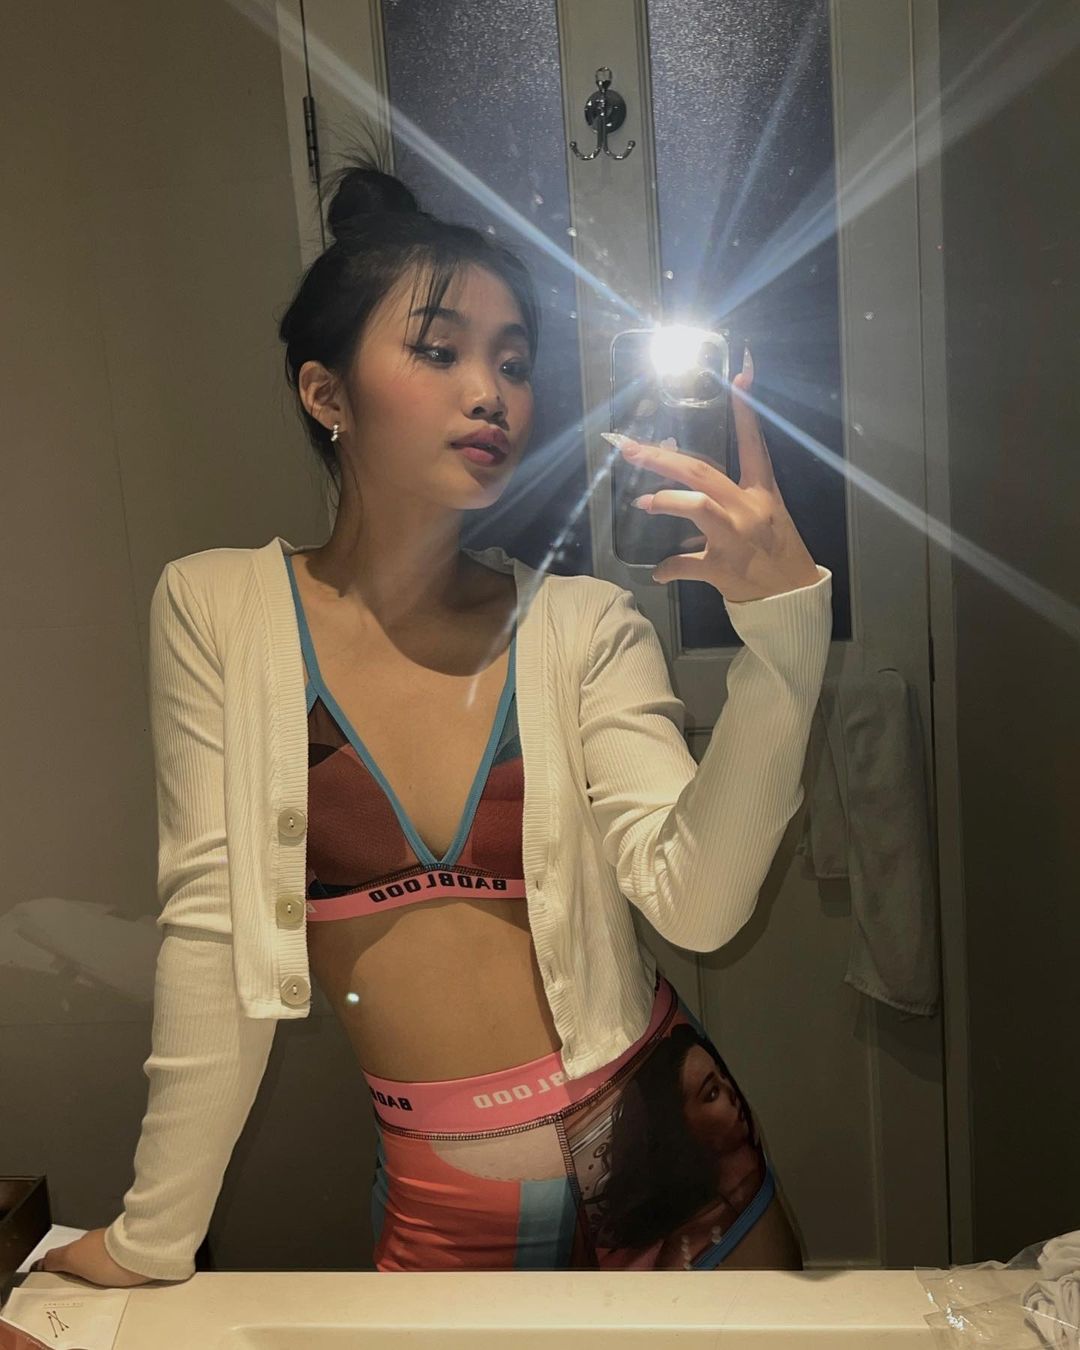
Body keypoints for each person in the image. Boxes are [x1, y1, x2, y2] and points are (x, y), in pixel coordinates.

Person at [42, 157, 831, 1284]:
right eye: (439, 349)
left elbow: (697, 908)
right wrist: (152, 1238)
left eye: (513, 362)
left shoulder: (583, 624)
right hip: (443, 1195)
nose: (491, 392)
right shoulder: (218, 611)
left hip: (671, 1149)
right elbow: (214, 937)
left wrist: (784, 642)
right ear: (325, 394)